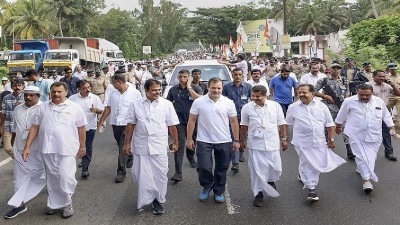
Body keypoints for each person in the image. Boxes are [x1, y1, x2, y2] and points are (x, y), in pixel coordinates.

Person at [22, 82, 87, 218]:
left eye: (59, 91)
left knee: (65, 177)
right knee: (52, 179)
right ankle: (54, 204)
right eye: (54, 91)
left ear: (66, 92)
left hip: (67, 149)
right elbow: (35, 127)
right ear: (50, 92)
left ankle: (67, 203)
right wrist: (27, 147)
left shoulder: (75, 107)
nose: (56, 94)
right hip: (47, 149)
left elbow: (81, 128)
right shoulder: (43, 107)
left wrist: (82, 146)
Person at [123, 79, 179, 215]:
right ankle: (147, 199)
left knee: (160, 174)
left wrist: (176, 142)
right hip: (141, 144)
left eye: (159, 89)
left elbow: (172, 125)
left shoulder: (166, 104)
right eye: (154, 90)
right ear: (146, 91)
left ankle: (158, 201)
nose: (157, 92)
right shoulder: (135, 104)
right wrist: (127, 143)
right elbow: (130, 124)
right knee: (141, 174)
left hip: (159, 145)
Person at [285, 84, 346, 202]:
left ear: (312, 94)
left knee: (314, 163)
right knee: (307, 163)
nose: (301, 94)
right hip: (301, 141)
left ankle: (303, 176)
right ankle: (311, 189)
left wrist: (331, 140)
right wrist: (283, 138)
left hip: (319, 140)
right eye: (299, 92)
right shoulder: (293, 107)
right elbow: (286, 123)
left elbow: (330, 124)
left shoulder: (322, 106)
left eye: (304, 92)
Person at [186, 77, 240, 203]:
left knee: (222, 167)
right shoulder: (199, 102)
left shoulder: (228, 102)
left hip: (224, 140)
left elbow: (234, 122)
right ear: (208, 88)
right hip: (204, 140)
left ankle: (219, 191)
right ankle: (206, 186)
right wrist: (189, 138)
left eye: (219, 88)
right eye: (213, 88)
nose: (216, 90)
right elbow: (192, 120)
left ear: (222, 88)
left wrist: (236, 140)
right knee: (204, 167)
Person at [335, 84, 397, 192]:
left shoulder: (379, 101)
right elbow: (341, 115)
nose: (364, 97)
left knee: (371, 157)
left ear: (372, 93)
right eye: (361, 95)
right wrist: (338, 126)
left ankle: (361, 169)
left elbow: (386, 116)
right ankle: (366, 180)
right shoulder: (349, 101)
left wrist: (392, 128)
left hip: (375, 135)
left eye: (367, 95)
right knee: (361, 157)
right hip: (356, 134)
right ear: (357, 93)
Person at [240, 85, 288, 207]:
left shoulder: (275, 106)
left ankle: (271, 181)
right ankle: (258, 193)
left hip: (273, 143)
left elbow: (282, 123)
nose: (254, 99)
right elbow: (244, 125)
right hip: (256, 144)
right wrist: (241, 140)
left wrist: (284, 139)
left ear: (265, 95)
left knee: (276, 168)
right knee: (257, 171)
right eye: (253, 96)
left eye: (258, 97)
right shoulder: (247, 108)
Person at [5, 86, 44, 219]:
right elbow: (15, 129)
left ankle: (58, 199)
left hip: (40, 149)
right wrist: (14, 144)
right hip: (21, 149)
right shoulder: (18, 108)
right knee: (18, 178)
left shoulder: (45, 108)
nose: (27, 97)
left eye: (31, 95)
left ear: (38, 96)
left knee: (45, 175)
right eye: (26, 94)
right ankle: (19, 205)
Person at [98, 73, 141, 183]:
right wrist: (102, 120)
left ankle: (121, 172)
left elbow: (140, 109)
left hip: (128, 124)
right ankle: (130, 156)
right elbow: (109, 107)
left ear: (120, 82)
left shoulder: (135, 93)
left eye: (113, 82)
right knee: (120, 144)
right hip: (116, 123)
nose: (111, 84)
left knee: (122, 146)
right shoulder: (113, 93)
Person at [166, 69, 202, 181]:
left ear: (189, 78)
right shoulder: (173, 90)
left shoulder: (196, 88)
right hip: (179, 122)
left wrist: (189, 87)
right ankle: (178, 173)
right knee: (179, 145)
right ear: (177, 77)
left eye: (185, 77)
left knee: (192, 142)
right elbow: (167, 103)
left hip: (193, 121)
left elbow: (200, 99)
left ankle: (191, 157)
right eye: (180, 77)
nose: (182, 79)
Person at [314, 63, 355, 159]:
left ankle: (349, 151)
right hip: (328, 108)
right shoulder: (324, 80)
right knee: (327, 128)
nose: (336, 70)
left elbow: (348, 93)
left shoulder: (344, 80)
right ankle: (326, 148)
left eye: (338, 69)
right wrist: (324, 96)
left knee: (346, 128)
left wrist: (346, 102)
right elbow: (314, 92)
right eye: (334, 68)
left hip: (342, 107)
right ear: (329, 70)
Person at [69, 80, 104, 178]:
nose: (87, 89)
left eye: (88, 87)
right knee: (76, 146)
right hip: (76, 128)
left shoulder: (95, 98)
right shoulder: (72, 99)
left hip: (90, 126)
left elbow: (101, 110)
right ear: (78, 89)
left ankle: (85, 168)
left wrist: (96, 110)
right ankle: (72, 165)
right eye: (84, 88)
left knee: (87, 146)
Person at [365, 70, 400, 160]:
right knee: (368, 131)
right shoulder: (368, 85)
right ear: (374, 77)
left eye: (383, 76)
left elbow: (398, 93)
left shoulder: (387, 86)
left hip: (384, 111)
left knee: (386, 132)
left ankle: (389, 152)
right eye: (380, 76)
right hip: (370, 111)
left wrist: (393, 84)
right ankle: (366, 152)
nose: (382, 78)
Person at [222, 68, 252, 171]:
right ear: (232, 75)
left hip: (244, 117)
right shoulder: (226, 87)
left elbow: (252, 101)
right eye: (235, 74)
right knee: (234, 138)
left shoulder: (248, 87)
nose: (238, 77)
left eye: (240, 74)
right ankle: (235, 163)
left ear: (242, 75)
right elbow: (222, 100)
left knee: (243, 136)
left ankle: (241, 152)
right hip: (231, 117)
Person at [0, 79, 25, 159]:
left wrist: (22, 105)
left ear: (23, 86)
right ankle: (21, 161)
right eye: (15, 85)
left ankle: (22, 164)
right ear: (11, 87)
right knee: (8, 148)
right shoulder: (6, 97)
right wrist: (1, 126)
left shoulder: (27, 97)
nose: (17, 87)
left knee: (22, 147)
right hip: (9, 125)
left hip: (22, 126)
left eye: (19, 85)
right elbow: (3, 112)